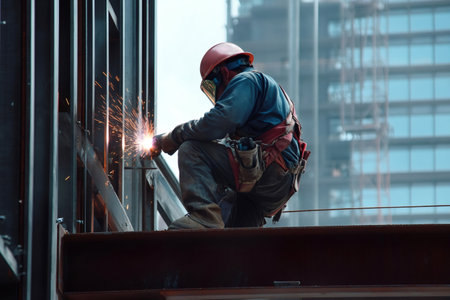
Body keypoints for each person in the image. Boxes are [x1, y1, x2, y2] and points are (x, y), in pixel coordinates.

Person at [152, 42, 309, 229]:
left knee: (192, 149)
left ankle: (204, 217)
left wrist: (174, 137)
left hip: (270, 171)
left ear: (224, 73)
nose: (216, 94)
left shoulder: (247, 80)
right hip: (274, 186)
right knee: (234, 236)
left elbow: (218, 122)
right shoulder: (266, 89)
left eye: (213, 85)